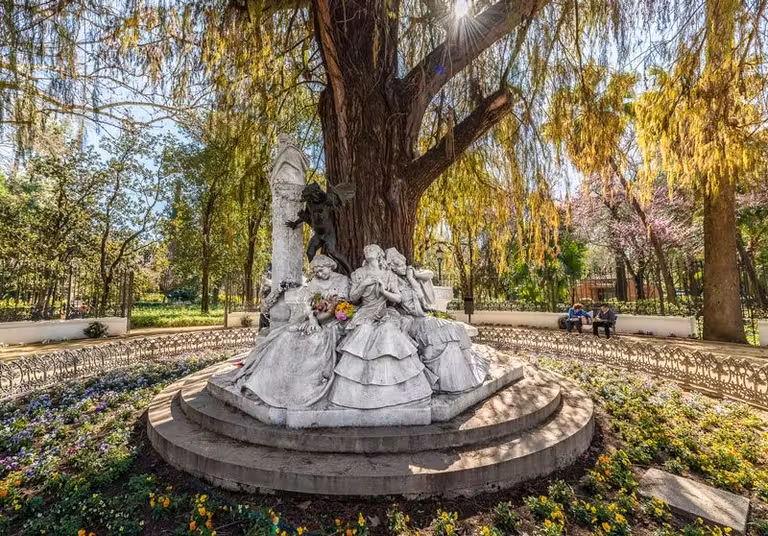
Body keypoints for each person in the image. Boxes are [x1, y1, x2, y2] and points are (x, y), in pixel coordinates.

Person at [226, 255, 349, 409]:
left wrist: (319, 321)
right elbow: (306, 303)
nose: (319, 274)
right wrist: (311, 319)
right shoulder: (313, 283)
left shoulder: (341, 280)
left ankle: (301, 389)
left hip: (334, 322)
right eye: (316, 271)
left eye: (321, 270)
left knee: (314, 341)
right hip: (312, 320)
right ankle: (264, 385)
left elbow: (339, 305)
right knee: (285, 336)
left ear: (330, 266)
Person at [329, 244, 434, 410]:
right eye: (366, 249)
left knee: (388, 332)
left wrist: (384, 292)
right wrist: (364, 284)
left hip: (384, 312)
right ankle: (356, 391)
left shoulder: (388, 274)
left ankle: (393, 389)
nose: (369, 250)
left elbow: (398, 298)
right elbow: (353, 297)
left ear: (379, 254)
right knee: (363, 332)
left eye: (373, 249)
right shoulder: (358, 274)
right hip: (365, 313)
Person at [386, 247, 488, 393]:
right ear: (392, 267)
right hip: (413, 322)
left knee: (457, 328)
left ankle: (470, 368)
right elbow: (402, 305)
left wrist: (412, 276)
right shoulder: (393, 283)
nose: (403, 267)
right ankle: (453, 382)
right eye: (399, 265)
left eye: (404, 264)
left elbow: (428, 279)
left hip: (425, 318)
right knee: (450, 332)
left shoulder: (409, 278)